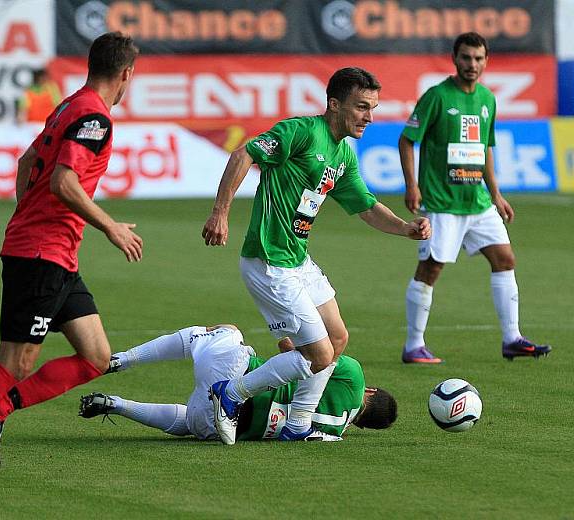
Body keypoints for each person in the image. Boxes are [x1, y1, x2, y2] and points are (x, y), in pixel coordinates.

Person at [0, 32, 142, 496]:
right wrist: (110, 227)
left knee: (96, 357)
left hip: (53, 251)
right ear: (126, 75)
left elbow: (27, 159)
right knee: (14, 362)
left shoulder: (68, 105)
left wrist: (27, 214)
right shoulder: (94, 116)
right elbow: (63, 181)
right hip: (41, 253)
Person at [201, 67, 430, 445]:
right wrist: (220, 213)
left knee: (338, 338)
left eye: (373, 108)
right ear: (335, 104)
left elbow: (367, 207)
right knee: (321, 355)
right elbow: (244, 153)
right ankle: (232, 393)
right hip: (269, 262)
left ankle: (297, 424)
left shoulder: (343, 155)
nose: (369, 117)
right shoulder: (302, 132)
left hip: (298, 261)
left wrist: (405, 227)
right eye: (361, 107)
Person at [398, 32, 552, 364]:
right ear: (455, 59)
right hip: (442, 203)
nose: (473, 64)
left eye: (479, 58)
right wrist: (412, 185)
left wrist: (496, 194)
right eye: (466, 57)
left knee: (505, 258)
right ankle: (413, 345)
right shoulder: (437, 97)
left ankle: (512, 338)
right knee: (431, 268)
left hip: (478, 201)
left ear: (486, 60)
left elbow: (485, 149)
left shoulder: (487, 99)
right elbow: (407, 140)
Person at [79, 325, 397, 441]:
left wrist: (288, 331)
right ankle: (117, 405)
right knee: (189, 421)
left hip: (231, 376)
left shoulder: (354, 377)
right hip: (221, 427)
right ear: (361, 425)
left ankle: (119, 361)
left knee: (222, 331)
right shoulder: (333, 432)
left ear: (371, 391)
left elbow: (305, 354)